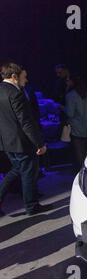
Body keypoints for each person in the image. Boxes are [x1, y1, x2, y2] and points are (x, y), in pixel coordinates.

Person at [0, 63, 49, 216]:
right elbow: (25, 122)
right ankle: (32, 207)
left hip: (7, 142)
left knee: (15, 171)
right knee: (29, 174)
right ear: (14, 77)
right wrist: (39, 144)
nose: (26, 80)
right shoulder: (16, 94)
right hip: (21, 143)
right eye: (24, 77)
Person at [64, 76, 87, 172]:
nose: (67, 82)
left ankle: (82, 172)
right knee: (84, 151)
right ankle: (85, 170)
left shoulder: (71, 95)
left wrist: (60, 107)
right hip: (85, 126)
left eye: (68, 80)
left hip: (76, 127)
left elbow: (70, 113)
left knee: (79, 152)